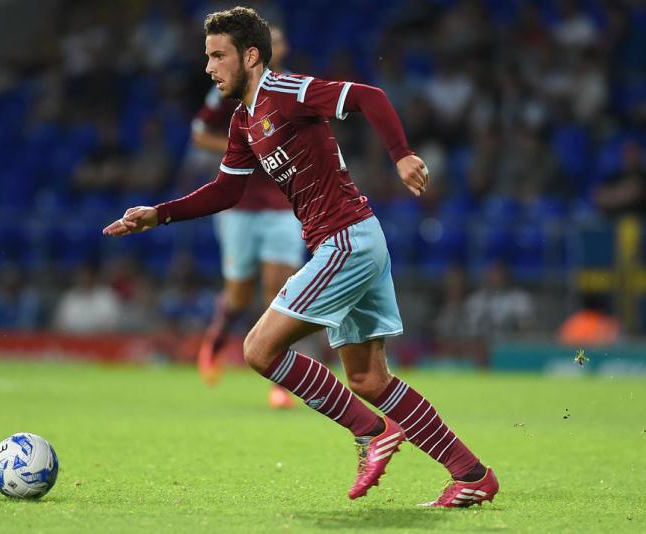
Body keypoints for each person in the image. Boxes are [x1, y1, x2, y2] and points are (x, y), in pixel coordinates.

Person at [103, 6, 498, 506]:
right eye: (207, 57)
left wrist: (401, 155)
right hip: (356, 239)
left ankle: (371, 432)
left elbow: (368, 96)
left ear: (250, 55)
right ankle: (472, 474)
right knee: (368, 378)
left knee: (258, 351)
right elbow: (226, 192)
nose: (209, 67)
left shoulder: (286, 92)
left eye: (218, 55)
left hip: (346, 242)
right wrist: (157, 214)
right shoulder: (245, 121)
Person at [191, 23, 304, 409]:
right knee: (239, 295)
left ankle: (281, 382)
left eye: (281, 37)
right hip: (238, 206)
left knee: (281, 292)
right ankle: (218, 338)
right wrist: (241, 146)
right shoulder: (231, 85)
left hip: (282, 206)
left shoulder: (293, 88)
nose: (278, 43)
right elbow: (199, 132)